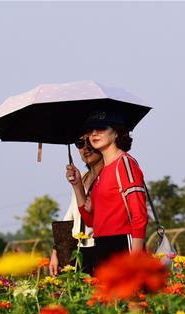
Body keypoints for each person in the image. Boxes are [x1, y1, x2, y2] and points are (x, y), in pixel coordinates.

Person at [66, 111, 148, 267]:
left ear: (116, 132)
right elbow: (91, 221)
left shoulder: (125, 163)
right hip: (101, 246)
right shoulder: (101, 174)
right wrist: (77, 185)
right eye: (91, 129)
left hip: (124, 244)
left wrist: (136, 262)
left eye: (101, 127)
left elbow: (139, 216)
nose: (94, 133)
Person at [49, 131, 103, 276]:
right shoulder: (82, 177)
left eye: (90, 141)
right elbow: (72, 216)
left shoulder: (108, 176)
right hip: (79, 249)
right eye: (79, 143)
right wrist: (56, 250)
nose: (85, 148)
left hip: (100, 248)